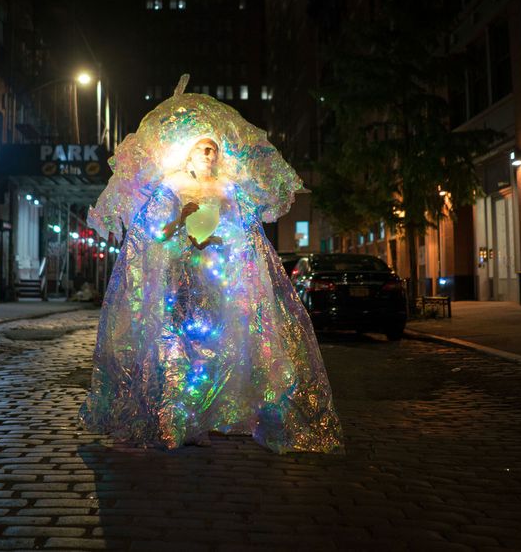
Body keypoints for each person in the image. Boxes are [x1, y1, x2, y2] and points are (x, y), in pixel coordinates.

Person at [79, 76, 343, 453]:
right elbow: (158, 232)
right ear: (188, 154)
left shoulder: (228, 190)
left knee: (218, 346)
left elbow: (240, 234)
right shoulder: (171, 187)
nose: (208, 155)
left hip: (217, 281)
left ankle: (213, 412)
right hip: (180, 279)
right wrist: (180, 229)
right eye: (202, 149)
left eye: (213, 150)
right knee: (176, 345)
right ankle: (174, 415)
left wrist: (222, 247)